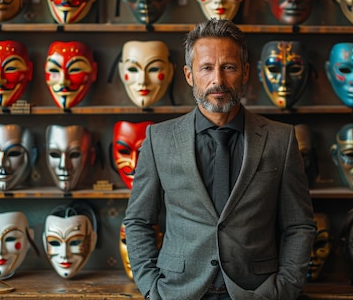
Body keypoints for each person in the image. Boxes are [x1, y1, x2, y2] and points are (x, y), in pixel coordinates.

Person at [123, 18, 315, 300]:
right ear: (189, 75)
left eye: (229, 67)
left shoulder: (280, 139)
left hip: (256, 293)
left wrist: (283, 289)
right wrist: (152, 289)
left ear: (246, 72)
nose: (218, 80)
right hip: (178, 292)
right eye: (206, 68)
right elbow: (138, 220)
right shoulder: (159, 139)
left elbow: (299, 224)